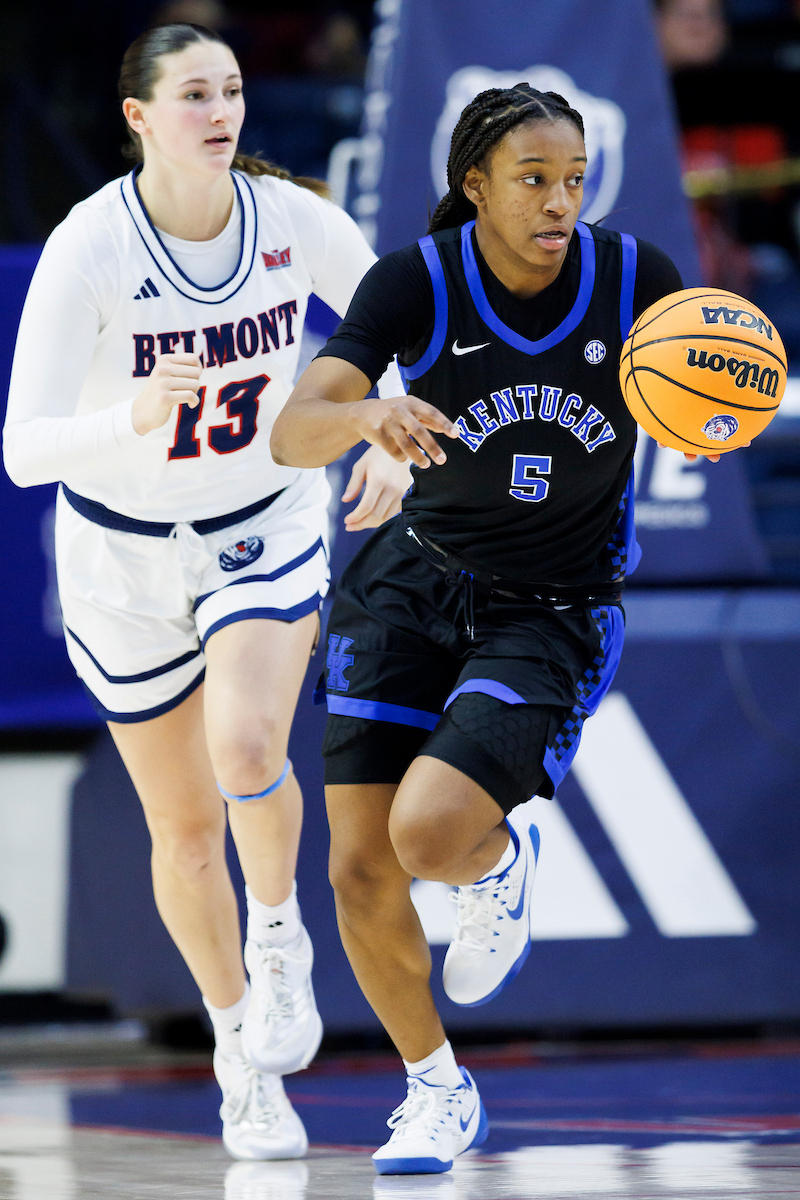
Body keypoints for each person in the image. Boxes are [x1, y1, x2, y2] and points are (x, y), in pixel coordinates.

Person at [2, 22, 408, 1161]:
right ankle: (240, 1054)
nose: (220, 110)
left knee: (245, 749)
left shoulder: (292, 220)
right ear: (138, 116)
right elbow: (24, 450)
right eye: (193, 94)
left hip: (260, 518)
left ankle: (279, 941)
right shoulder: (90, 247)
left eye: (229, 89)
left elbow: (403, 325)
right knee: (183, 835)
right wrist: (133, 414)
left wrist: (388, 431)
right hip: (120, 556)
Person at [270, 84, 690, 1175]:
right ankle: (435, 1092)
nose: (558, 202)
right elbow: (291, 432)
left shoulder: (636, 279)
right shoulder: (416, 280)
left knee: (426, 837)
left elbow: (719, 380)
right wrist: (365, 413)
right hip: (410, 583)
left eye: (573, 181)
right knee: (358, 869)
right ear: (475, 185)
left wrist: (717, 416)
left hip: (550, 606)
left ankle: (497, 858)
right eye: (532, 180)